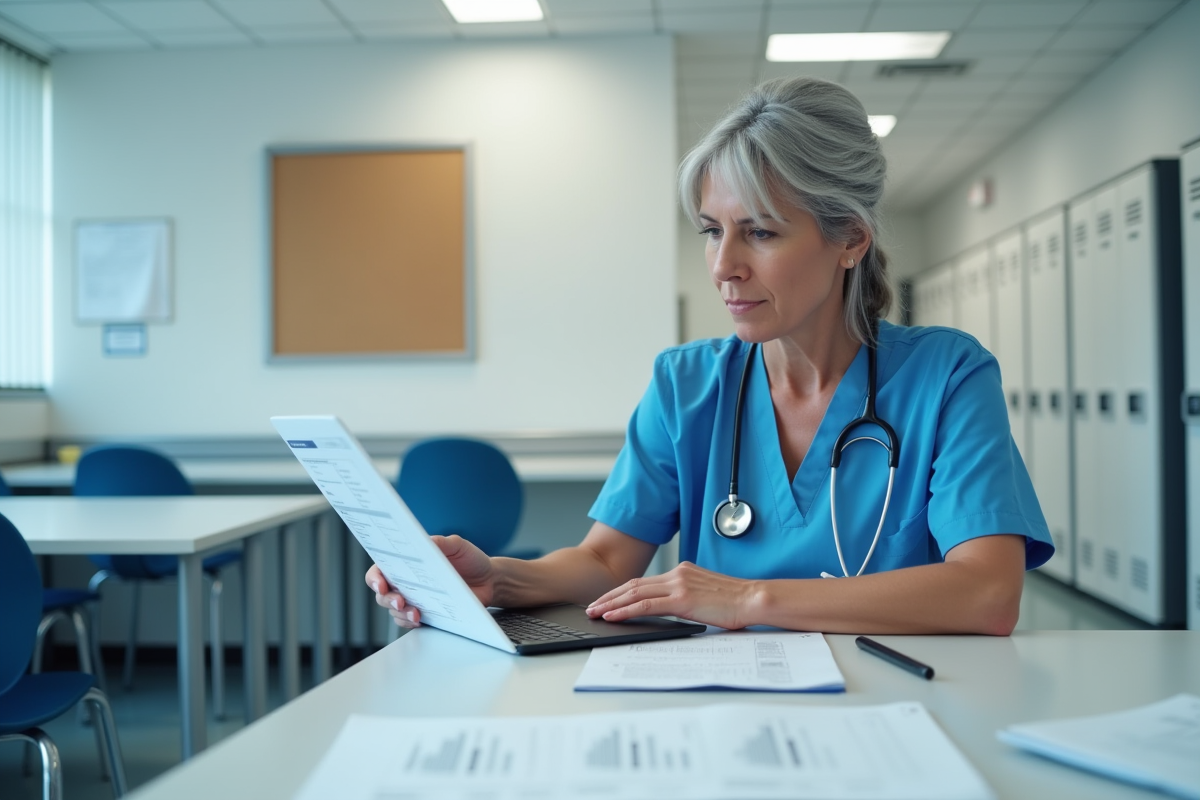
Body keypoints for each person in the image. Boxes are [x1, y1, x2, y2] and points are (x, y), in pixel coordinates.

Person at [367, 76, 1053, 636]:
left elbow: (987, 593)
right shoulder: (687, 384)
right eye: (711, 230)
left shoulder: (947, 376)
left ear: (849, 239)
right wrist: (500, 576)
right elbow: (608, 558)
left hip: (907, 699)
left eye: (758, 232)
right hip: (725, 702)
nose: (723, 266)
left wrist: (751, 600)